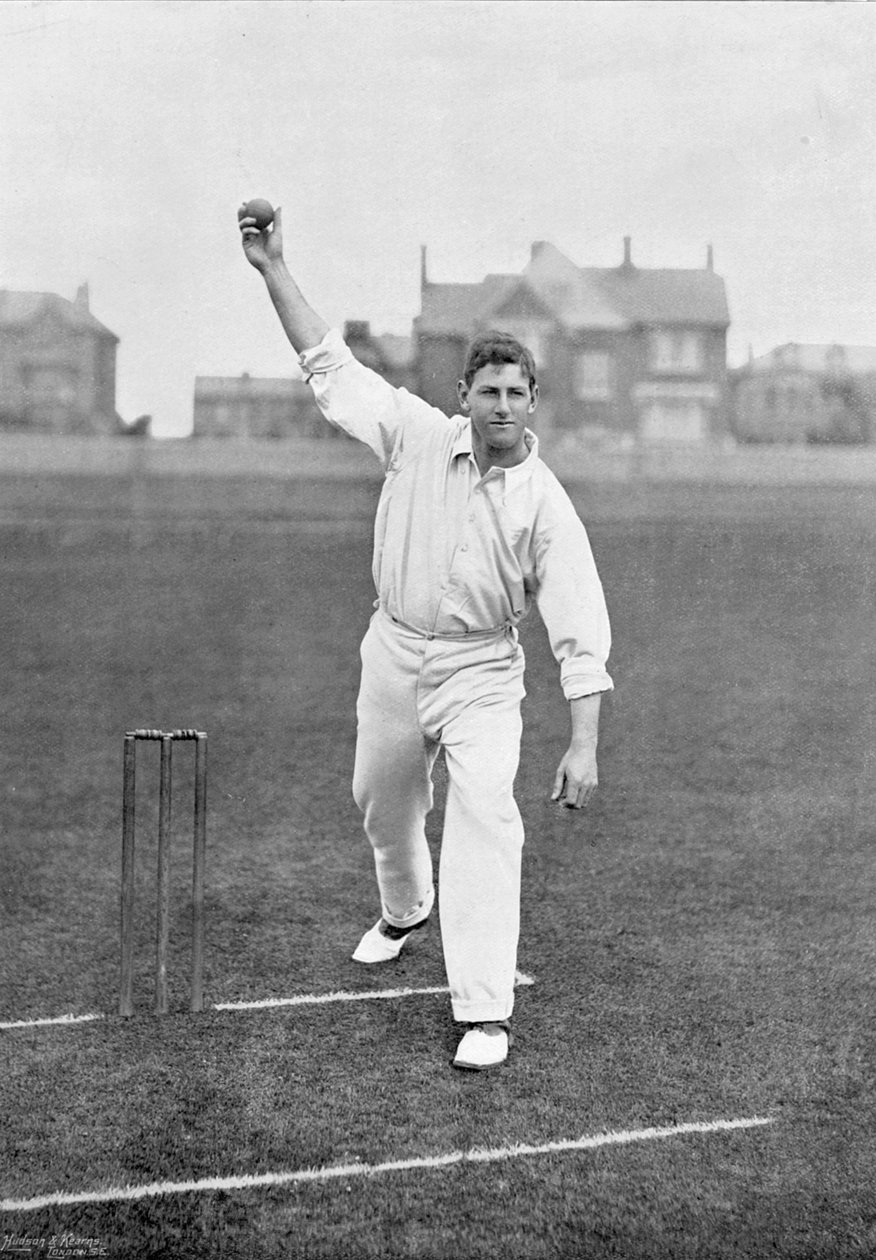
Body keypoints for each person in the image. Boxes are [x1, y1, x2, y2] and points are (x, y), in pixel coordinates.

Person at [238, 205, 613, 1071]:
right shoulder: (412, 433)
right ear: (464, 397)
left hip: (483, 670)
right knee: (381, 797)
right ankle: (405, 908)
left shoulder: (546, 506)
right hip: (394, 652)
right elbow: (328, 363)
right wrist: (273, 270)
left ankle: (485, 1012)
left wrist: (584, 745)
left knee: (486, 813)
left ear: (533, 403)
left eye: (518, 394)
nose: (502, 407)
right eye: (489, 392)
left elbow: (580, 632)